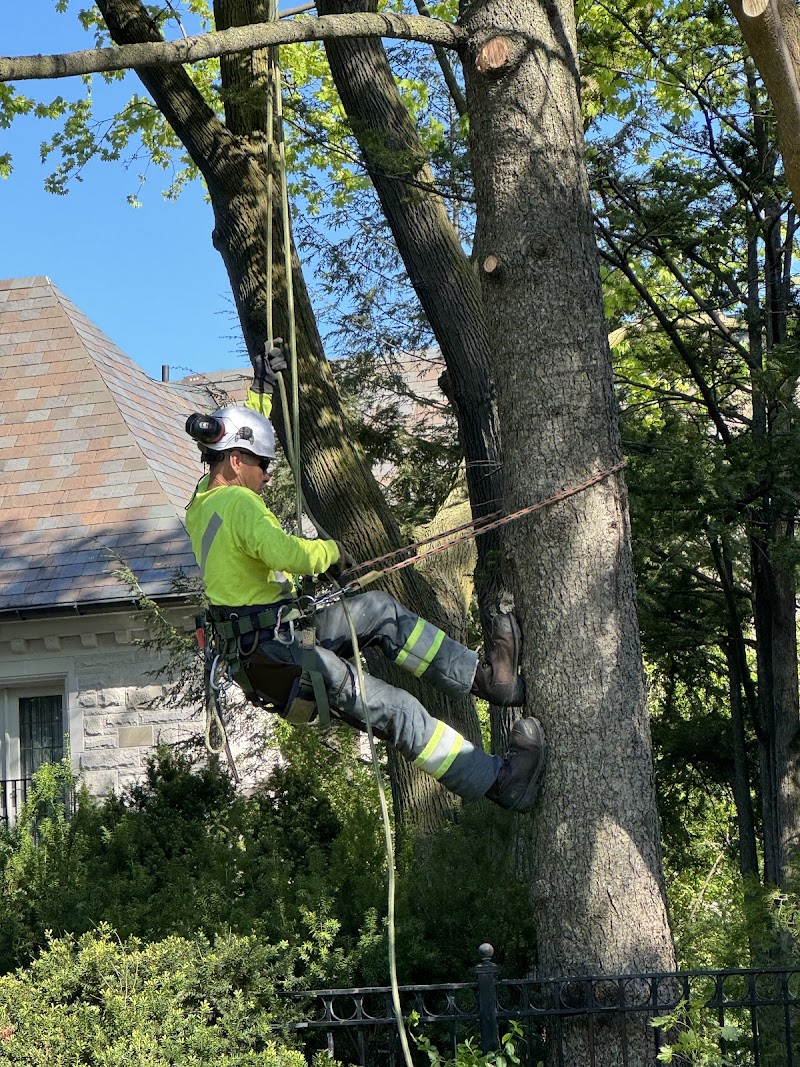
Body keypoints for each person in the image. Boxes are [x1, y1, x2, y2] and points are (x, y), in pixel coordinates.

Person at [183, 344, 546, 813]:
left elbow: (230, 441)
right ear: (236, 462)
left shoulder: (201, 502)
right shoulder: (240, 504)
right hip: (282, 654)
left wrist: (261, 394)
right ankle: (501, 781)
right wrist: (330, 552)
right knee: (398, 709)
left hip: (276, 640)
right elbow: (285, 552)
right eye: (262, 464)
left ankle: (489, 679)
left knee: (380, 612)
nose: (267, 476)